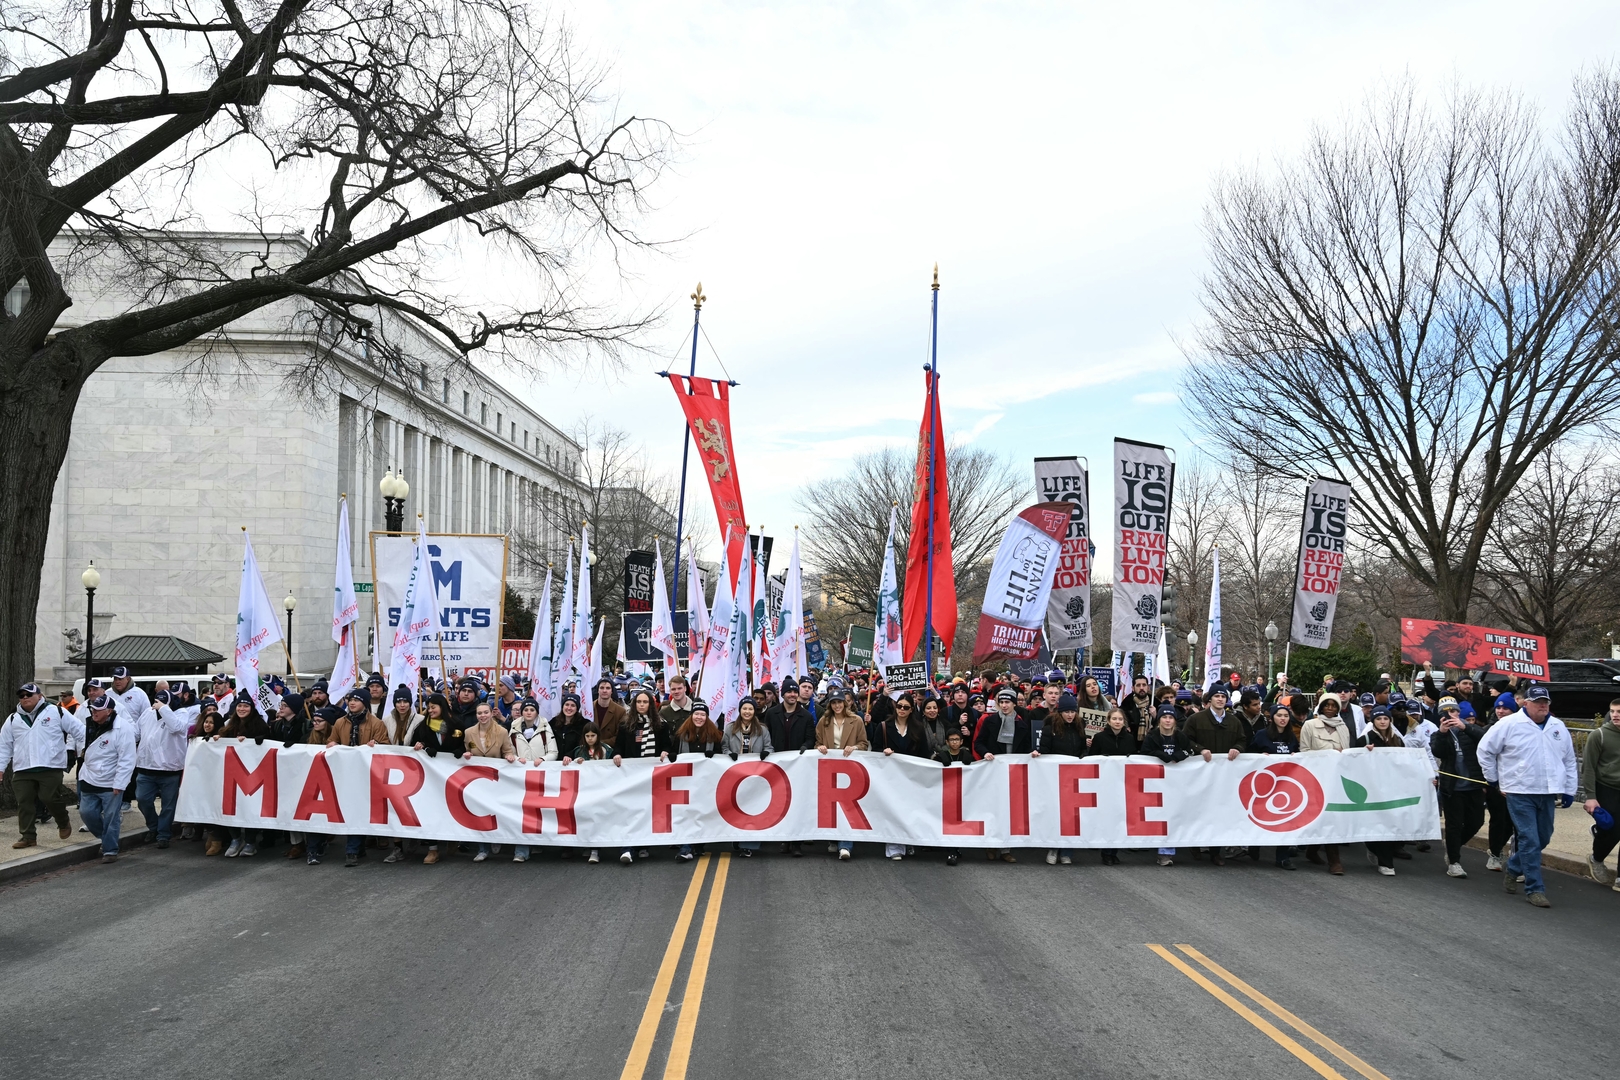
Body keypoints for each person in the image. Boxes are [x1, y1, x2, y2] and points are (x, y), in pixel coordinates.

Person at [1477, 684, 1578, 908]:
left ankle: (1513, 867)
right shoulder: (1508, 724)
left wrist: (1569, 789)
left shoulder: (1557, 727)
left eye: (1546, 702)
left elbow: (1569, 760)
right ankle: (1535, 888)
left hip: (1547, 792)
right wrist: (1492, 778)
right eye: (1538, 702)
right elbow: (1485, 750)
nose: (1543, 705)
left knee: (1543, 837)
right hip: (1519, 790)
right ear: (1526, 703)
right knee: (1530, 839)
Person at [74, 693, 137, 862]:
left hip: (111, 782)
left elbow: (127, 758)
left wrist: (120, 783)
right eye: (93, 708)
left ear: (109, 711)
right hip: (88, 777)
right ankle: (106, 838)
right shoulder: (88, 724)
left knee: (111, 817)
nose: (94, 712)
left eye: (98, 710)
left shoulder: (123, 728)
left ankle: (110, 850)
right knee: (86, 813)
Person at [1430, 696, 1487, 879]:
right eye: (1445, 713)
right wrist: (1442, 732)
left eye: (1453, 711)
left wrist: (1466, 727)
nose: (1450, 715)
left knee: (1476, 822)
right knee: (1454, 825)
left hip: (1474, 785)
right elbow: (1438, 751)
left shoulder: (1469, 729)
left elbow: (1486, 740)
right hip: (1453, 788)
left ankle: (1453, 846)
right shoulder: (1439, 733)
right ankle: (1454, 861)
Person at [133, 689, 196, 850]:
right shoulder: (148, 712)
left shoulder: (181, 713)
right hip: (146, 767)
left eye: (161, 702)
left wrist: (163, 709)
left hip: (170, 769)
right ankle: (154, 827)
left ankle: (163, 834)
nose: (157, 705)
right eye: (156, 702)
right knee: (142, 800)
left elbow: (176, 727)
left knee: (168, 806)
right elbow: (136, 732)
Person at [814, 690, 869, 861]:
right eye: (833, 702)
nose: (837, 705)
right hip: (829, 768)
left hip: (849, 769)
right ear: (829, 704)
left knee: (847, 807)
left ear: (846, 703)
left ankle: (845, 845)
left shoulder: (856, 720)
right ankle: (833, 839)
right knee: (831, 806)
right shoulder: (824, 721)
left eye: (840, 702)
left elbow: (864, 743)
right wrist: (820, 747)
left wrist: (854, 748)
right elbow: (817, 742)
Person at [1300, 698, 1352, 875]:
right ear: (1321, 707)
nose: (1330, 709)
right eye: (1326, 705)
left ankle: (1317, 852)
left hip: (1336, 778)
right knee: (1323, 815)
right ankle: (1333, 860)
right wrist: (1328, 755)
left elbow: (1347, 752)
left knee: (1332, 816)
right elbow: (1304, 752)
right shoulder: (1309, 725)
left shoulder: (1343, 727)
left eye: (1333, 706)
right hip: (1317, 777)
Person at [1083, 706, 1136, 866]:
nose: (1117, 722)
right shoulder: (1099, 737)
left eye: (1120, 719)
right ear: (1108, 721)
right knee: (1107, 817)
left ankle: (1114, 851)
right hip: (1105, 783)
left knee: (1120, 817)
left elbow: (1133, 758)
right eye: (1114, 719)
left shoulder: (1129, 738)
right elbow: (1093, 758)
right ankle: (1106, 852)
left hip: (1122, 783)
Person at [1251, 704, 1301, 869]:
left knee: (1286, 819)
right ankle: (1254, 846)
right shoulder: (1261, 735)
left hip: (1286, 785)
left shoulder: (1291, 737)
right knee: (1260, 816)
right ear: (1272, 718)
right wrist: (1259, 757)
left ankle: (1283, 857)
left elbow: (1298, 753)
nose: (1283, 719)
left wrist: (1296, 757)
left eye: (1286, 716)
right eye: (1279, 715)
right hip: (1264, 785)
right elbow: (1249, 755)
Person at [509, 697, 558, 864]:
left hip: (540, 776)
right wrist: (516, 758)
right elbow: (509, 750)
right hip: (520, 776)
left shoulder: (545, 729)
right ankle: (521, 850)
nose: (528, 713)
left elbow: (553, 752)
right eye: (526, 710)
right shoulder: (514, 729)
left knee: (538, 812)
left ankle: (537, 842)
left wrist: (543, 760)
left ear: (537, 712)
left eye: (532, 710)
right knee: (522, 812)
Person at [1577, 698, 1620, 889]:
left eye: (1619, 712)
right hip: (1607, 787)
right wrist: (1591, 797)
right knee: (1613, 829)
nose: (1616, 715)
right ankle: (1597, 858)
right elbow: (1588, 768)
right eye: (1612, 711)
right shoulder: (1599, 735)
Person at [1142, 705, 1190, 866]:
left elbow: (1189, 750)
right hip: (1156, 783)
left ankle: (1166, 852)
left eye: (1170, 718)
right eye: (1164, 717)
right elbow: (1143, 754)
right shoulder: (1152, 736)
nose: (1167, 720)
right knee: (1158, 816)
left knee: (1172, 815)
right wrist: (1158, 755)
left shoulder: (1180, 736)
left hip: (1176, 783)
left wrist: (1179, 755)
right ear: (1159, 719)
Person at [1361, 707, 1406, 876]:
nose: (1382, 721)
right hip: (1371, 788)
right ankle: (1383, 859)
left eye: (1385, 719)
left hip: (1392, 788)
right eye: (1378, 718)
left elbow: (1406, 762)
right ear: (1373, 721)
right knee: (1374, 823)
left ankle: (1384, 859)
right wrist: (1364, 751)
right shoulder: (1365, 738)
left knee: (1390, 823)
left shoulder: (1397, 740)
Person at [1481, 691, 1519, 872]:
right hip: (1495, 783)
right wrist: (1489, 781)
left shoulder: (1521, 728)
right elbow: (1483, 756)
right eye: (1498, 707)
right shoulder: (1491, 729)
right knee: (1498, 819)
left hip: (1517, 784)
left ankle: (1502, 849)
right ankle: (1495, 854)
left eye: (1506, 708)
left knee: (1513, 822)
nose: (1501, 711)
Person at [568, 722, 611, 864]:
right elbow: (569, 763)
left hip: (601, 790)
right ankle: (586, 844)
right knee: (584, 817)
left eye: (593, 736)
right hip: (584, 791)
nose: (590, 739)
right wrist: (574, 761)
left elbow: (614, 765)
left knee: (596, 818)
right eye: (587, 736)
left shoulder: (606, 750)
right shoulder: (579, 751)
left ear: (598, 736)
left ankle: (595, 850)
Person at [933, 729, 974, 866]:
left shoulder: (966, 755)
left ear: (961, 741)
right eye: (952, 740)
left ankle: (955, 847)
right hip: (946, 794)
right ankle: (951, 850)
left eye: (957, 740)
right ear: (947, 742)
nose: (955, 742)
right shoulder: (941, 756)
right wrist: (939, 760)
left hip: (963, 794)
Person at [764, 679, 816, 759]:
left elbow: (810, 738)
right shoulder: (771, 713)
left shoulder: (806, 716)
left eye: (795, 692)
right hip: (775, 759)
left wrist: (805, 746)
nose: (792, 694)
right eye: (789, 692)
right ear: (783, 694)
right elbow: (766, 736)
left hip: (797, 760)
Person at [1121, 674, 1154, 741]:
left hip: (1150, 744)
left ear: (1148, 687)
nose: (1141, 688)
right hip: (1131, 744)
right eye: (1138, 685)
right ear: (1133, 688)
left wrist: (1155, 716)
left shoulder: (1155, 704)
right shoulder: (1125, 706)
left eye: (1144, 685)